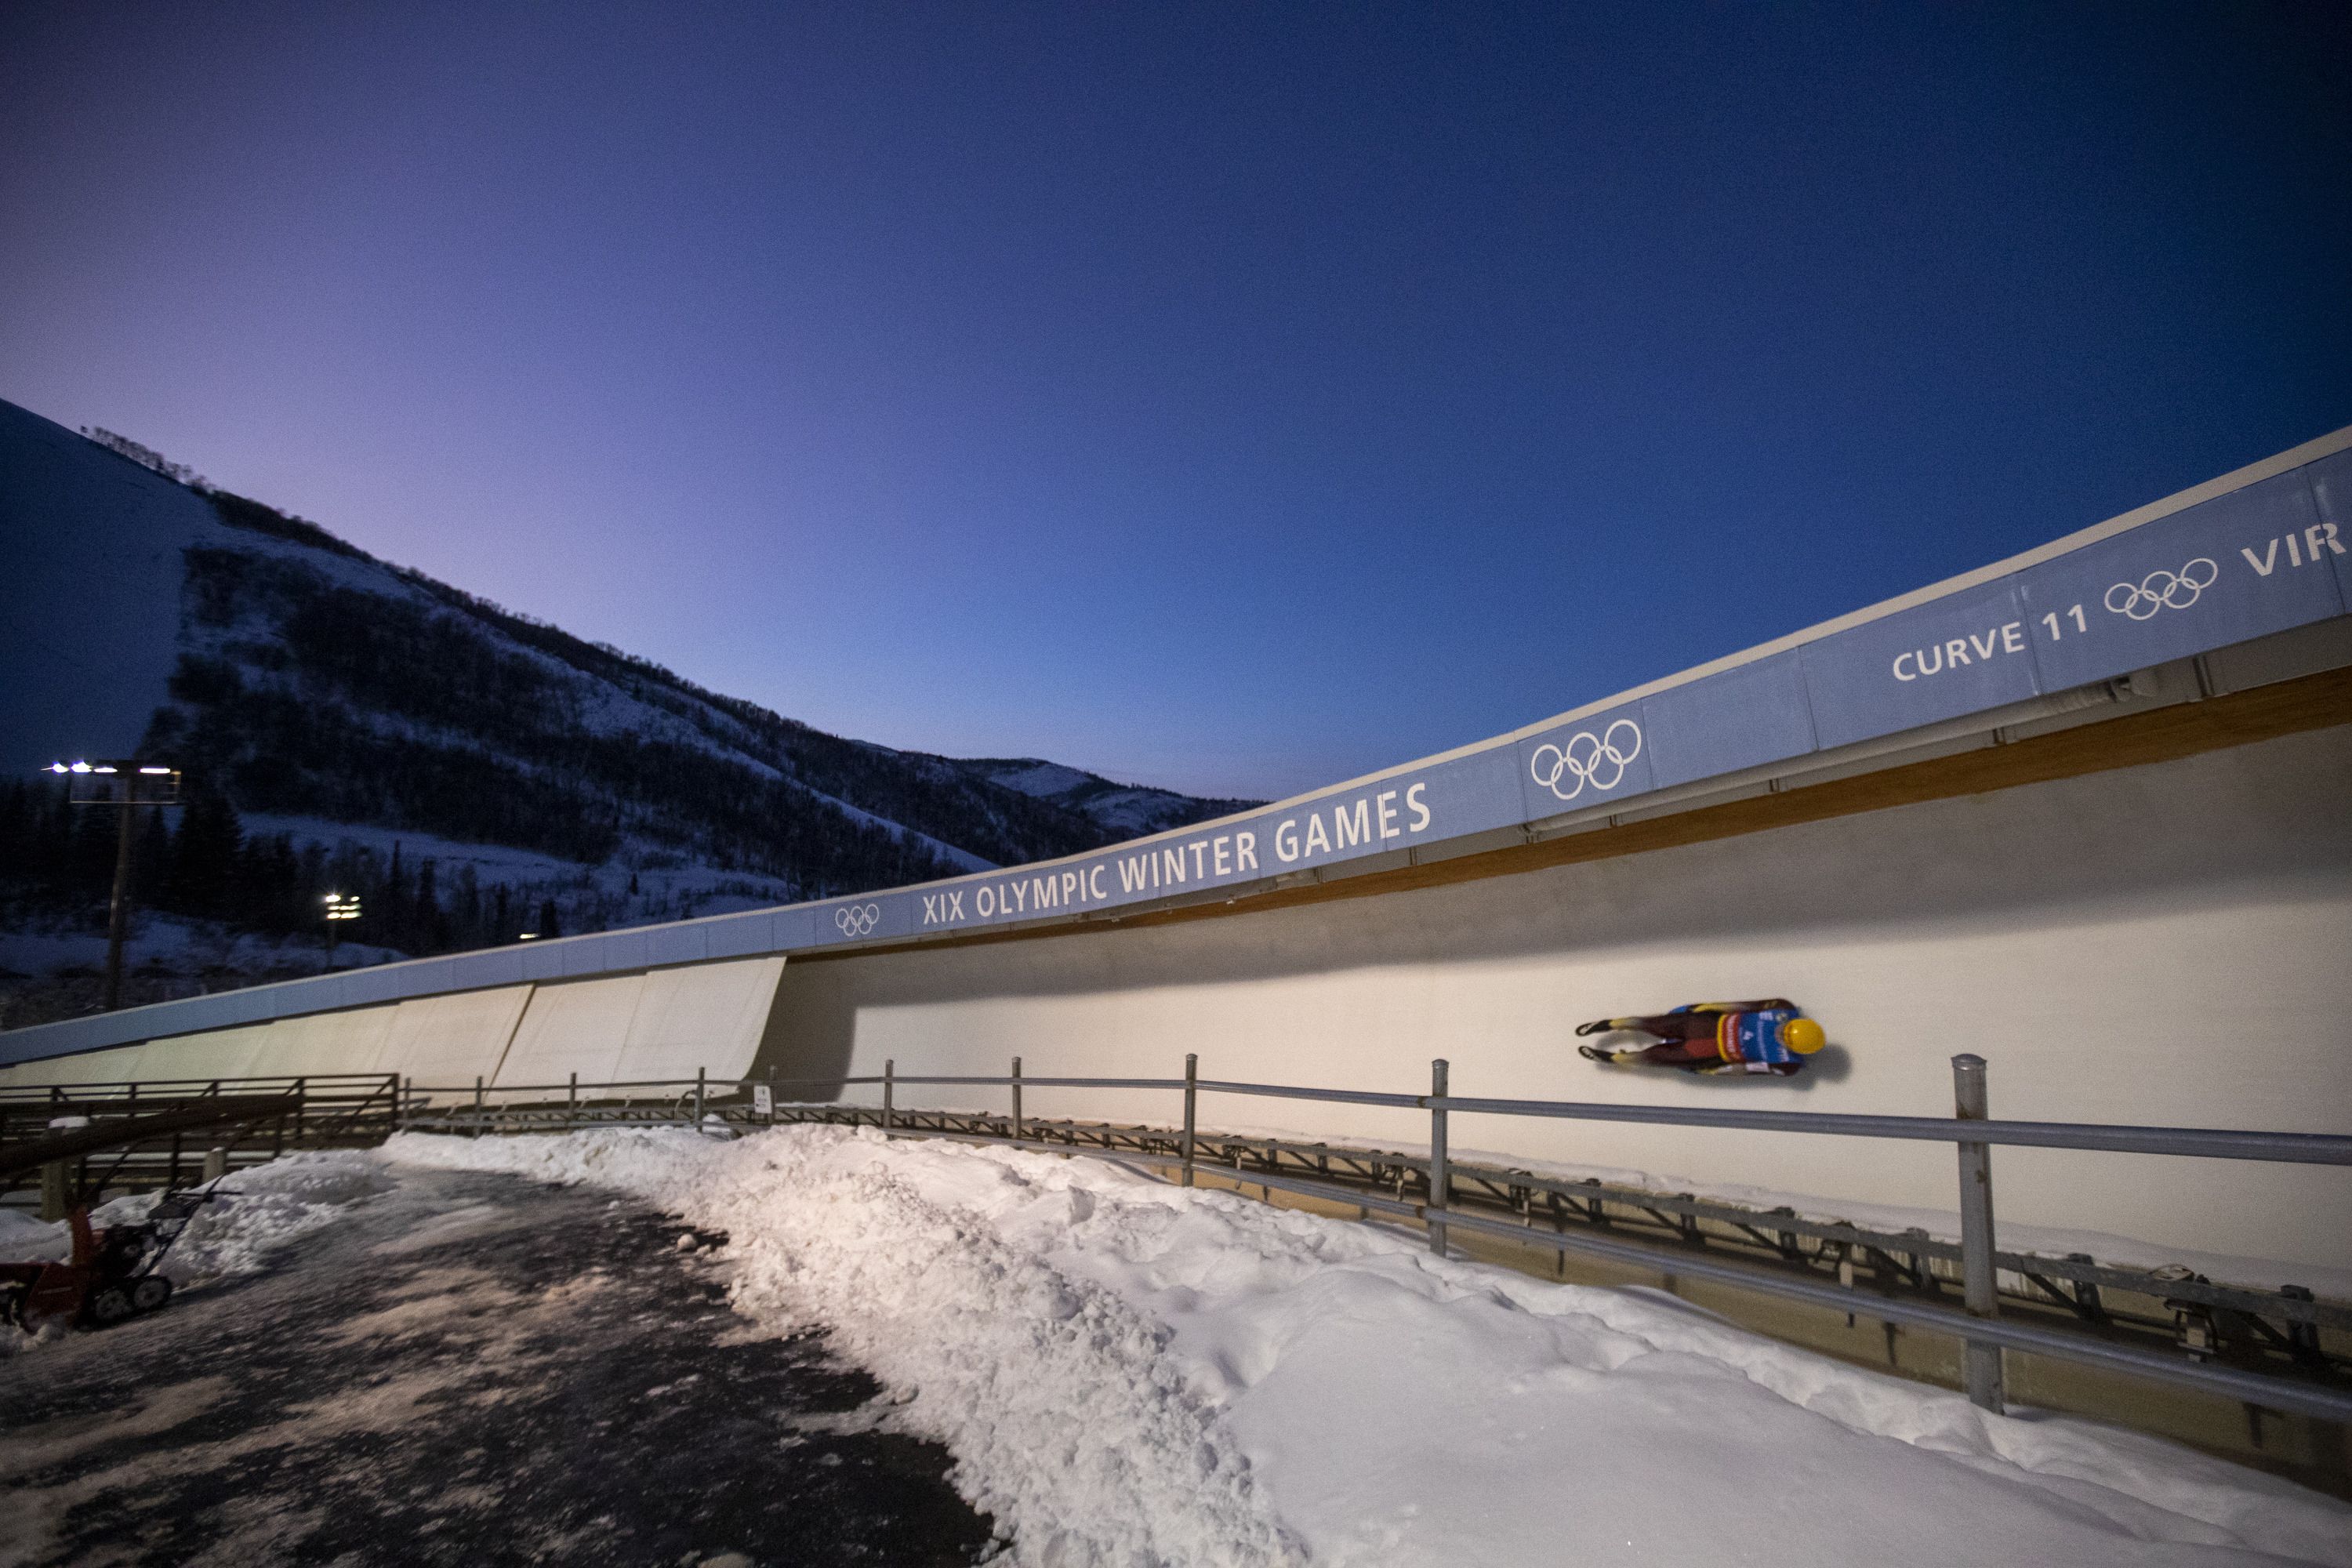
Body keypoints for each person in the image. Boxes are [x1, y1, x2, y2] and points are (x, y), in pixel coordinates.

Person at [1575, 999, 1825, 1076]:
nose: (1779, 1034)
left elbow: (1751, 1069)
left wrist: (1718, 1071)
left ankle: (1616, 1059)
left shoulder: (1788, 1064)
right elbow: (1746, 1006)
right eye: (1785, 1028)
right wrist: (1709, 1007)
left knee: (1660, 1057)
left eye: (1784, 1038)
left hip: (1712, 1052)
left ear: (1793, 1047)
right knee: (1656, 1024)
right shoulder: (1781, 1008)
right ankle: (1610, 1024)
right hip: (1707, 1025)